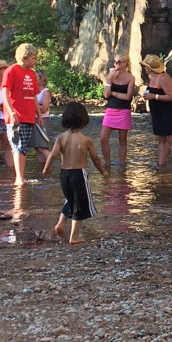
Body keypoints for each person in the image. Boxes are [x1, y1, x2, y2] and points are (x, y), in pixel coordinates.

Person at [42, 102, 106, 244]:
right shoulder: (86, 140)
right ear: (84, 120)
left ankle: (60, 223)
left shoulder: (61, 137)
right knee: (80, 204)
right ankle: (74, 236)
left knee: (70, 201)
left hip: (64, 174)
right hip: (79, 174)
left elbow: (52, 154)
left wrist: (46, 168)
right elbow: (95, 158)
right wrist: (103, 172)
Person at [2, 43, 40, 186]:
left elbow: (34, 95)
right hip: (17, 115)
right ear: (24, 58)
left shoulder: (32, 73)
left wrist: (39, 114)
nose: (34, 60)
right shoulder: (11, 70)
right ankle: (19, 178)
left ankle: (21, 177)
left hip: (29, 115)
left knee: (24, 146)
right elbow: (4, 91)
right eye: (33, 58)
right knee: (18, 145)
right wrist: (11, 112)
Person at [140, 54, 172, 168]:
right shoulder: (151, 77)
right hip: (157, 113)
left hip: (168, 113)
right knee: (161, 139)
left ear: (150, 67)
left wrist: (154, 97)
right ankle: (161, 165)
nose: (144, 68)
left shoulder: (164, 78)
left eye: (146, 65)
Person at [100, 53, 135, 167]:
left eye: (119, 62)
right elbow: (106, 94)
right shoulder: (110, 75)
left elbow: (128, 97)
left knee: (122, 140)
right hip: (111, 110)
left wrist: (113, 93)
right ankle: (107, 163)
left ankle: (122, 165)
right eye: (115, 62)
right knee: (103, 139)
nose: (116, 64)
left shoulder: (131, 78)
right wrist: (109, 80)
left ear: (125, 64)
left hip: (124, 111)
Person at [30, 70, 52, 166]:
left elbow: (44, 108)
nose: (33, 79)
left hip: (42, 119)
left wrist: (31, 103)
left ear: (42, 79)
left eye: (36, 77)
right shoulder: (32, 91)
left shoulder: (45, 91)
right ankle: (42, 168)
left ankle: (53, 165)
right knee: (37, 147)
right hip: (32, 119)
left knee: (42, 146)